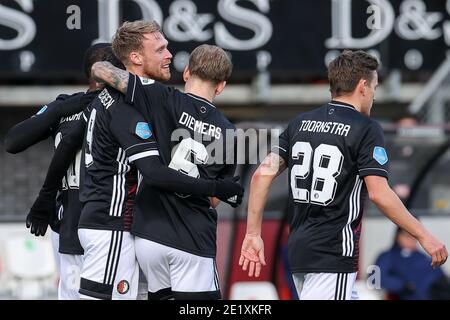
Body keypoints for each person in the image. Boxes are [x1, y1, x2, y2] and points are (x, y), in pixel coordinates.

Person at [238, 50, 448, 300]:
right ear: (362, 86)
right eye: (374, 88)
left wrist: (252, 234)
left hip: (300, 250)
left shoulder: (299, 123)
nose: (373, 96)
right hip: (332, 253)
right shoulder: (365, 128)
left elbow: (262, 175)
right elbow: (379, 193)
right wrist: (424, 235)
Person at [71, 21, 243, 300]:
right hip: (119, 223)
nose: (169, 55)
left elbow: (99, 69)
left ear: (188, 73)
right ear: (222, 86)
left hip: (142, 231)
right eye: (161, 48)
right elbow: (153, 172)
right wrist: (217, 188)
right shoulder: (131, 104)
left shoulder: (160, 100)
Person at [4, 43, 121, 299]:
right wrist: (62, 108)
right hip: (72, 225)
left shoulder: (122, 106)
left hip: (105, 223)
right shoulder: (66, 106)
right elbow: (13, 142)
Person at [375, 227, 450, 300]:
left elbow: (442, 279)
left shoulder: (425, 258)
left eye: (414, 237)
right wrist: (402, 285)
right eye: (408, 236)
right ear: (398, 236)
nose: (411, 239)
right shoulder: (388, 256)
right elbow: (374, 279)